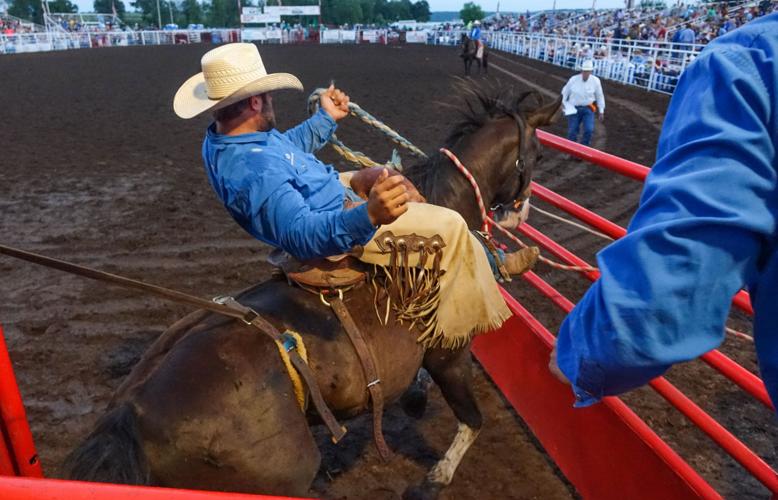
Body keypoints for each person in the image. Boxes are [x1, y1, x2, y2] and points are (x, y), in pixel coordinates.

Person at [173, 43, 539, 349]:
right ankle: (471, 289)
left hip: (320, 192)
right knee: (452, 224)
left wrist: (325, 118)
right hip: (330, 221)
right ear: (255, 103)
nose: (271, 103)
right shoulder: (255, 171)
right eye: (267, 96)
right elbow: (301, 233)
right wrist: (369, 215)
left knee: (385, 175)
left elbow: (286, 150)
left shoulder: (228, 137)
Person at [550, 14, 778, 411]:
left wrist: (580, 353)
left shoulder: (750, 59)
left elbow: (677, 277)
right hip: (578, 109)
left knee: (584, 132)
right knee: (579, 131)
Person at [561, 59, 605, 148]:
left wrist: (601, 110)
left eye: (587, 71)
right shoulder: (573, 79)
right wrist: (562, 103)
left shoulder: (596, 81)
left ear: (591, 71)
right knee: (572, 131)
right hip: (573, 108)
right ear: (581, 71)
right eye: (584, 71)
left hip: (588, 108)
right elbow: (565, 92)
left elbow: (599, 96)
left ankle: (584, 150)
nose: (586, 73)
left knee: (589, 130)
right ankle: (571, 150)